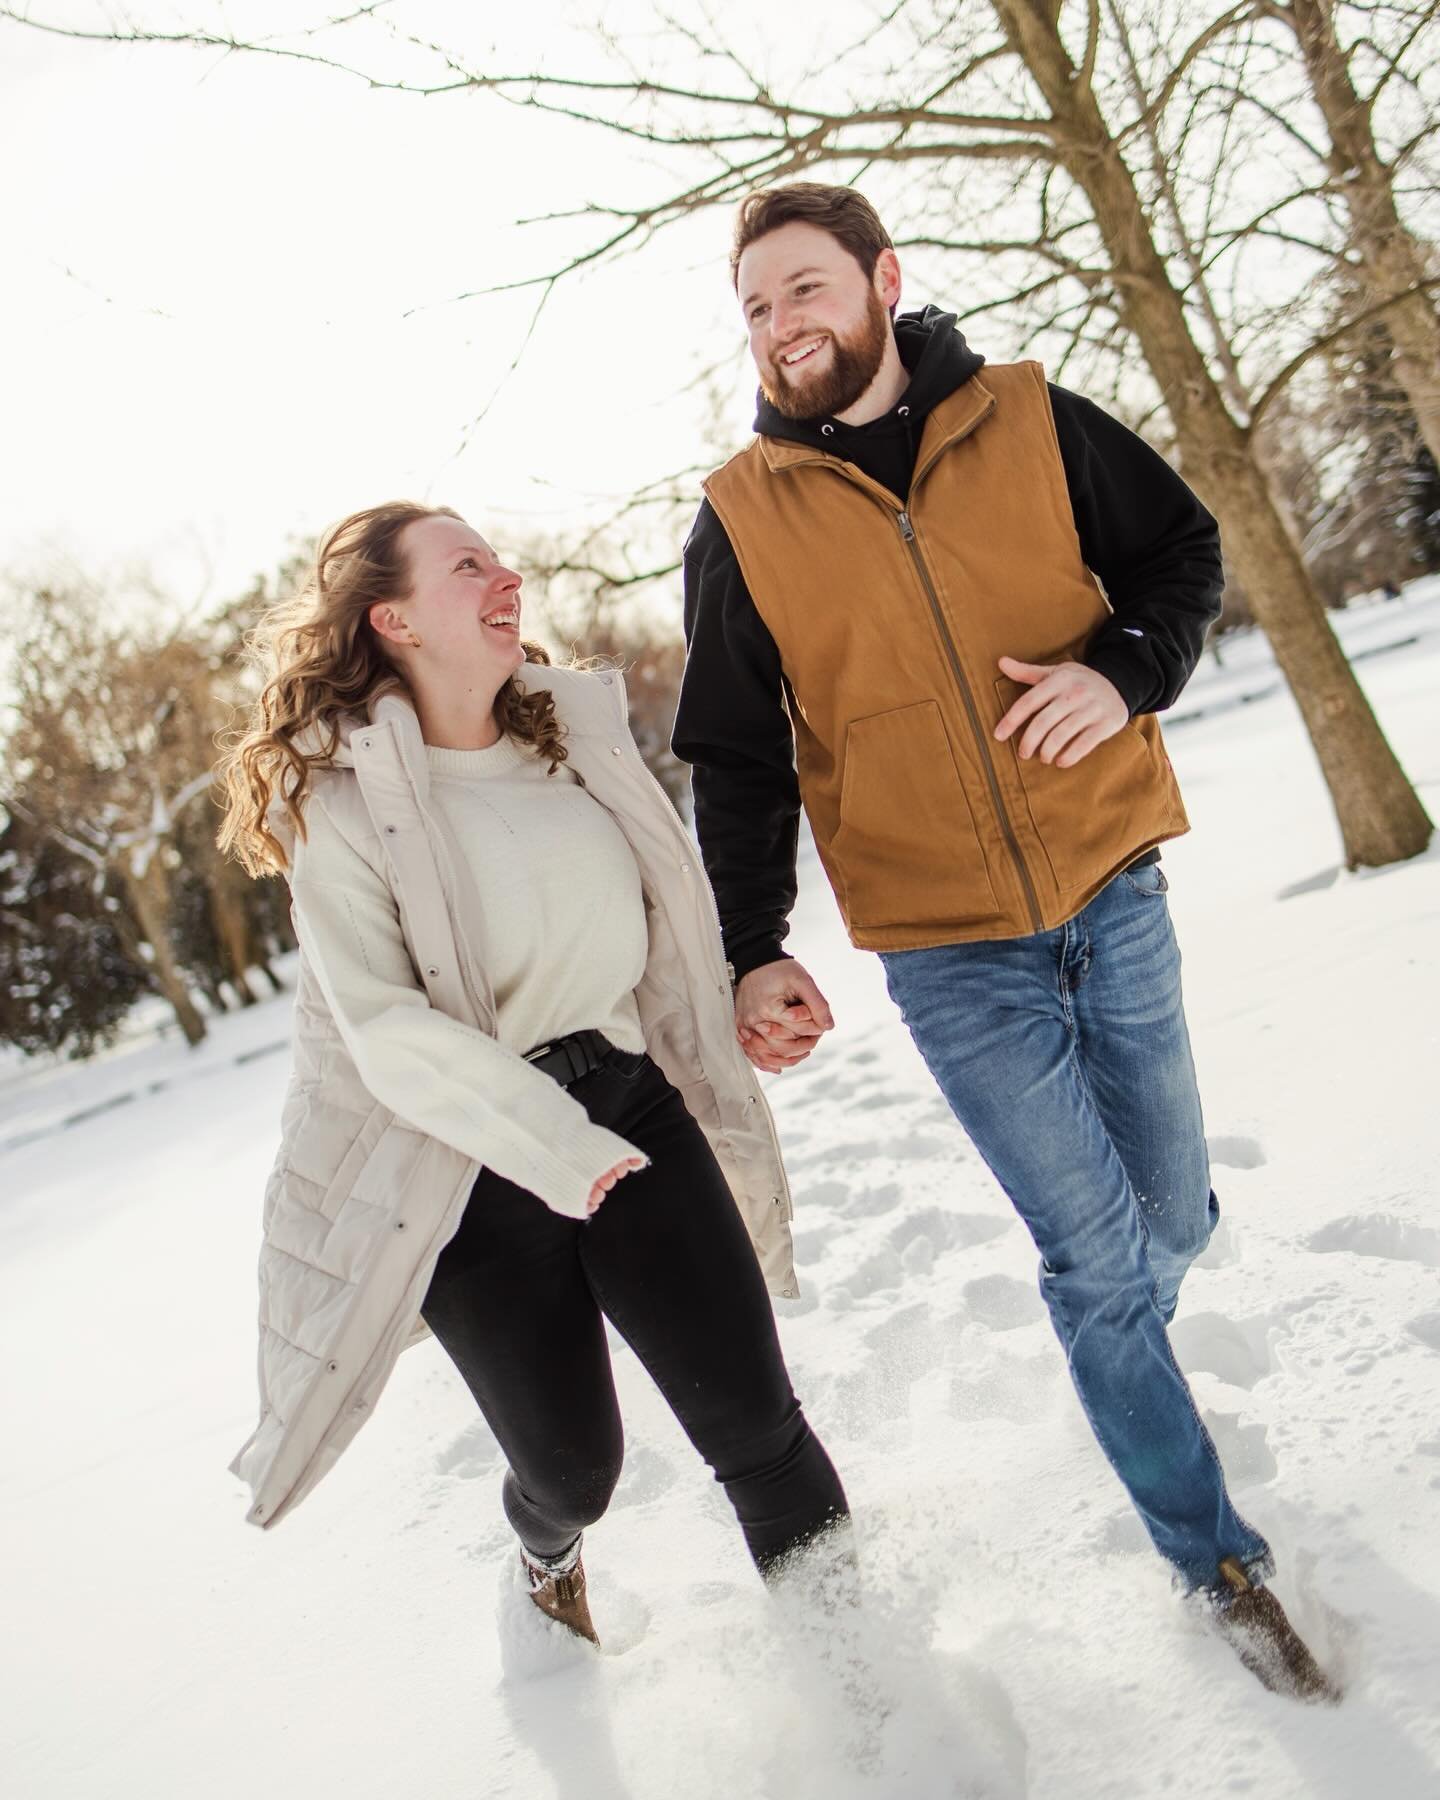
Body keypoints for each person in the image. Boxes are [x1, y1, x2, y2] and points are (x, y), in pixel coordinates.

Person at [672, 182, 1337, 1701]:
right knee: (1096, 1262)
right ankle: (1213, 1555)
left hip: (1111, 878)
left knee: (1167, 1227)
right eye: (755, 306)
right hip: (949, 949)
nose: (780, 328)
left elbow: (1184, 555)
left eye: (803, 291)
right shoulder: (741, 518)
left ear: (883, 282)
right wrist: (750, 942)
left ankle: (1131, 1348)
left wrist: (1125, 672)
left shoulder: (1034, 418)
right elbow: (737, 750)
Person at [218, 501, 848, 1646]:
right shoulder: (340, 804)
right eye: (469, 567)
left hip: (629, 1106)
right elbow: (384, 1029)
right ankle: (545, 1548)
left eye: (502, 559)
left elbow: (646, 934)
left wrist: (738, 986)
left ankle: (867, 1680)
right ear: (394, 616)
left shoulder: (575, 739)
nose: (507, 576)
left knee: (758, 1428)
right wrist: (558, 1148)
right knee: (575, 1468)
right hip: (471, 1165)